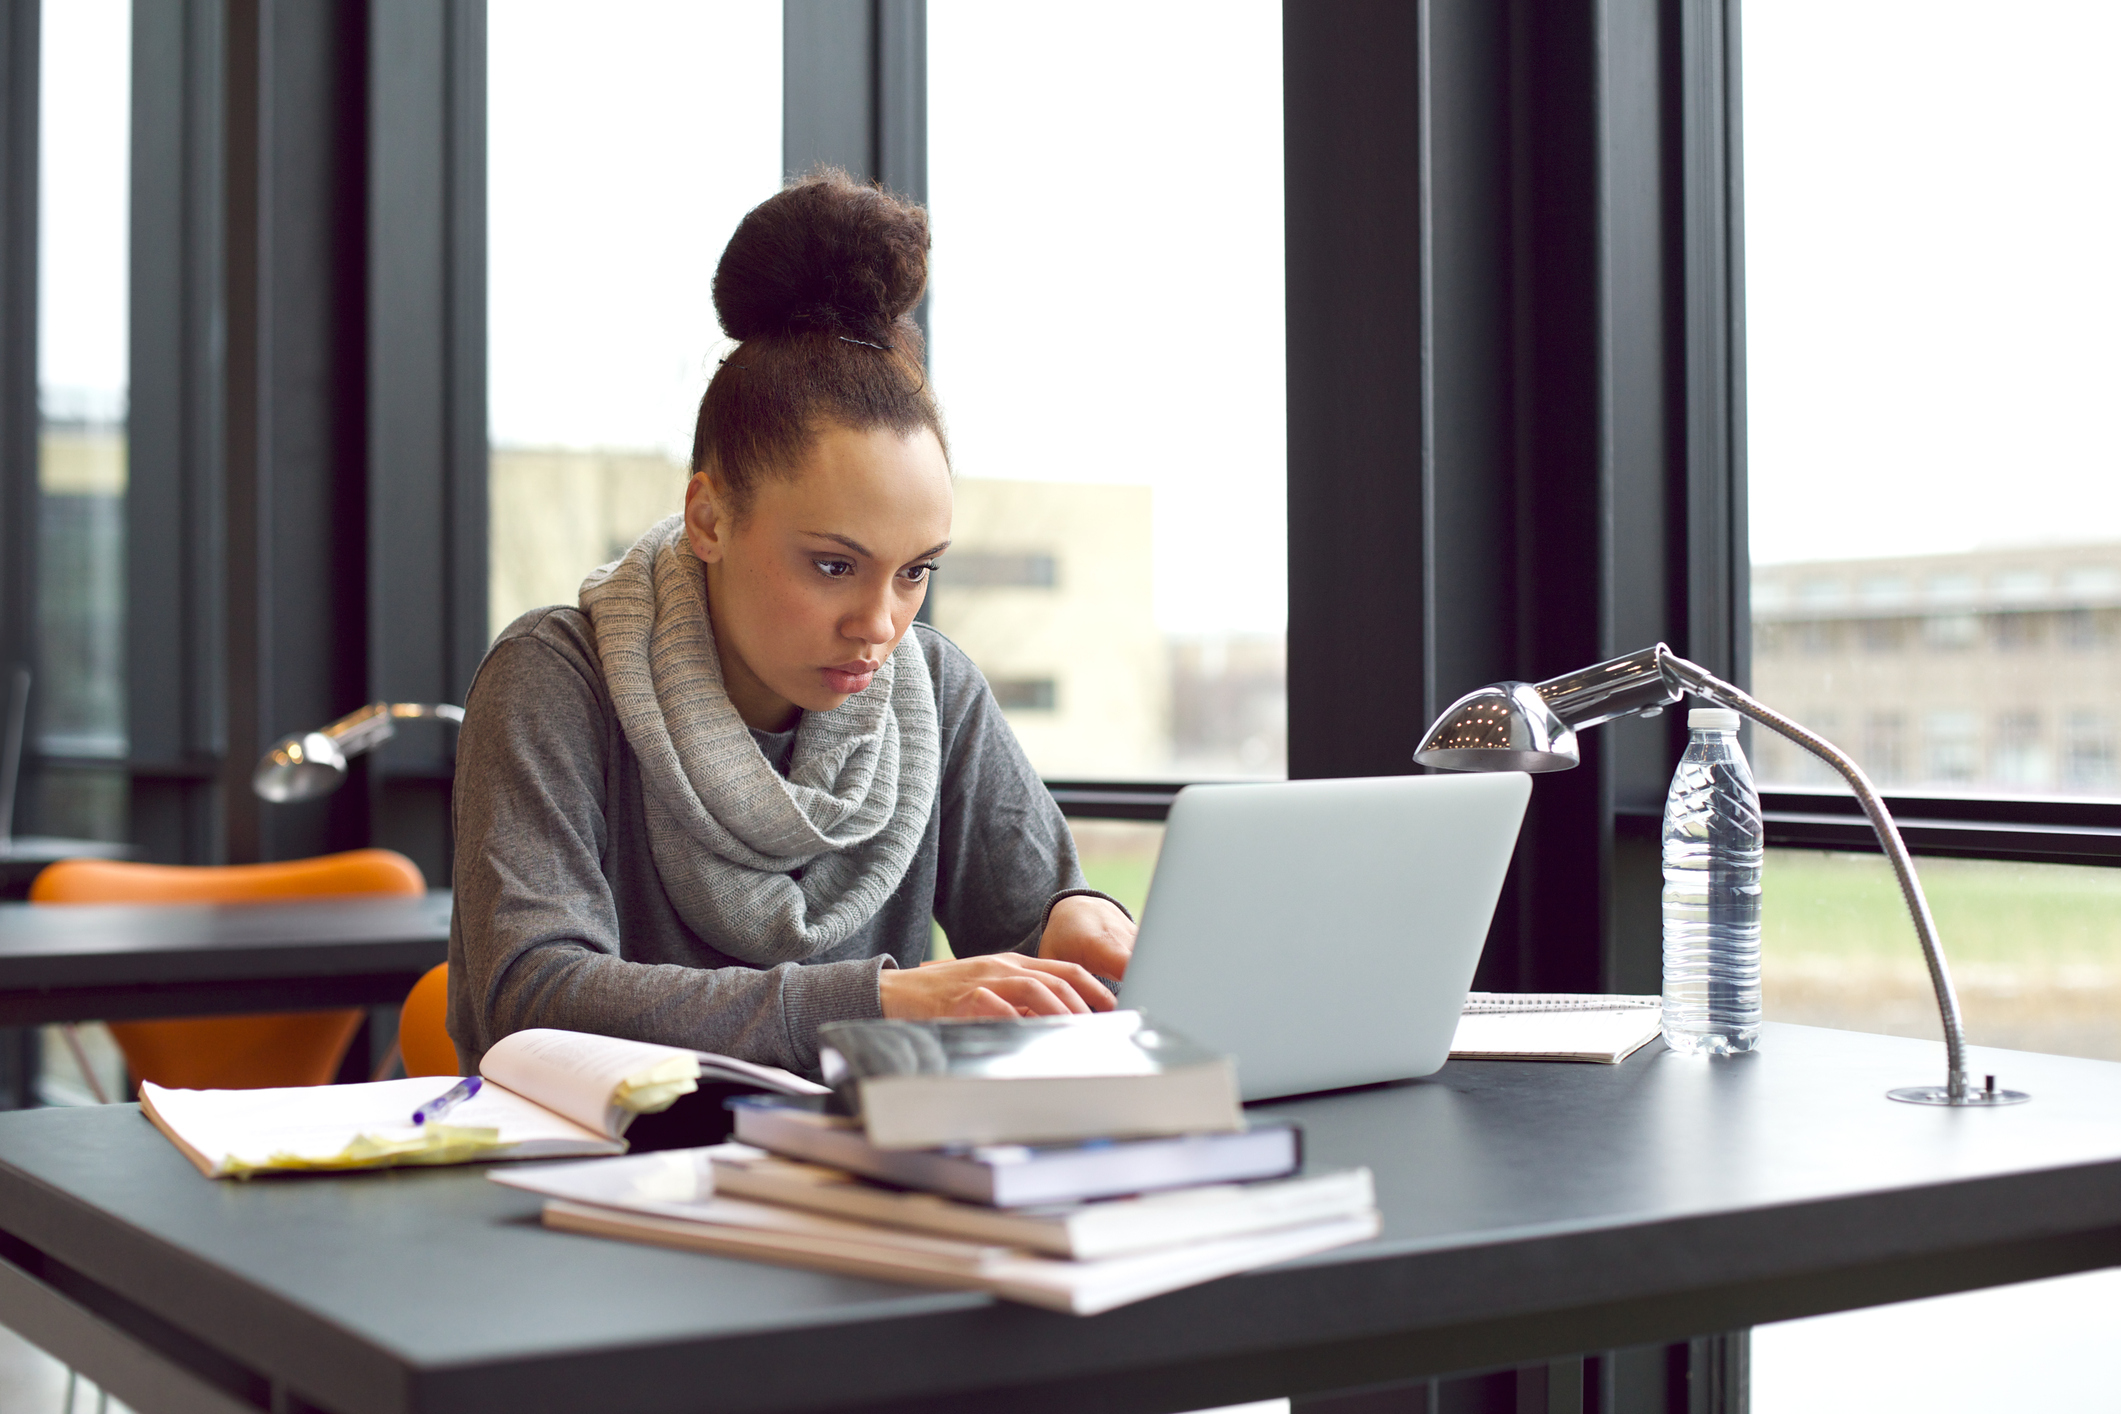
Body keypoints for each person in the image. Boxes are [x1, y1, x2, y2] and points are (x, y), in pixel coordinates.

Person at [447, 170, 1136, 1075]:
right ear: (709, 518)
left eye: (915, 573)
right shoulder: (554, 676)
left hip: (863, 1173)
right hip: (603, 1179)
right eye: (833, 565)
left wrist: (1081, 922)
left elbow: (1035, 930)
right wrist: (877, 1000)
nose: (878, 625)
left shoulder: (931, 687)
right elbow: (530, 997)